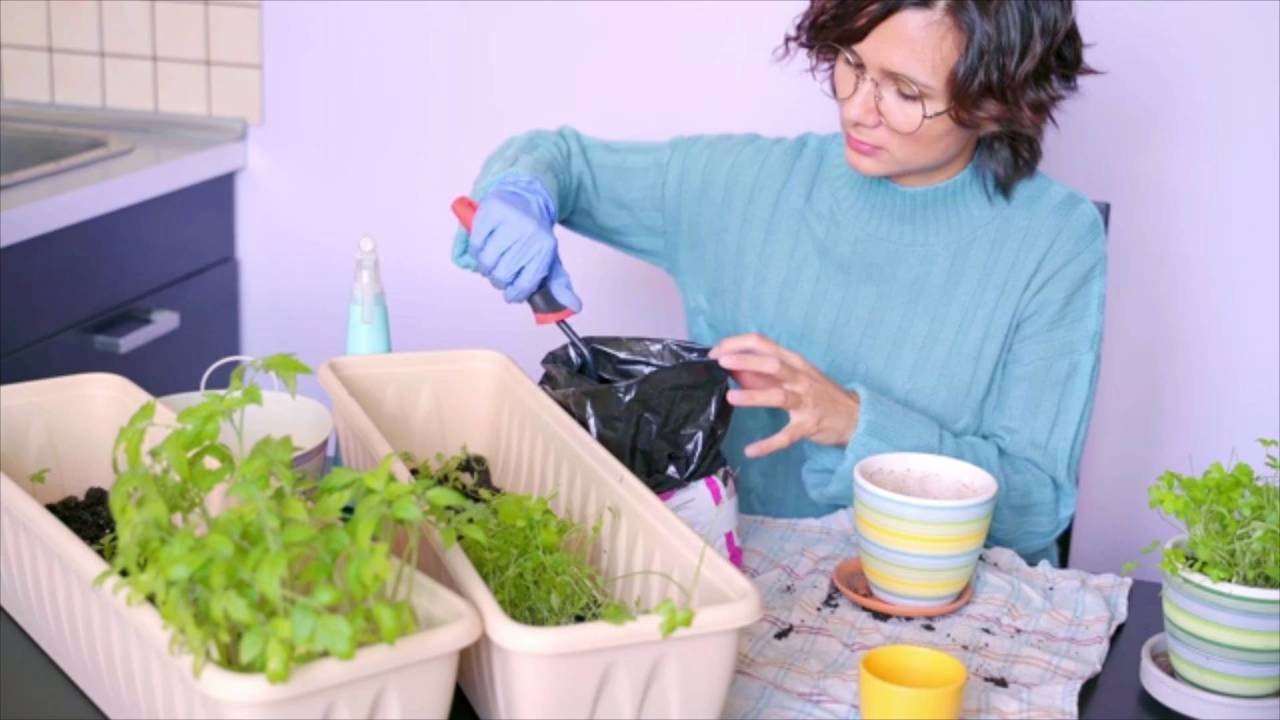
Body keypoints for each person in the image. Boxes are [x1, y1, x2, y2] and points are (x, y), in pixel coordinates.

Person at [451, 0, 1105, 566]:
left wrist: (854, 423)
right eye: (850, 64)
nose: (859, 110)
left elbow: (1032, 507)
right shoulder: (745, 186)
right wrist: (522, 193)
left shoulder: (1054, 238)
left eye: (905, 93)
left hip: (942, 614)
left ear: (997, 103)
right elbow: (559, 160)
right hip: (747, 589)